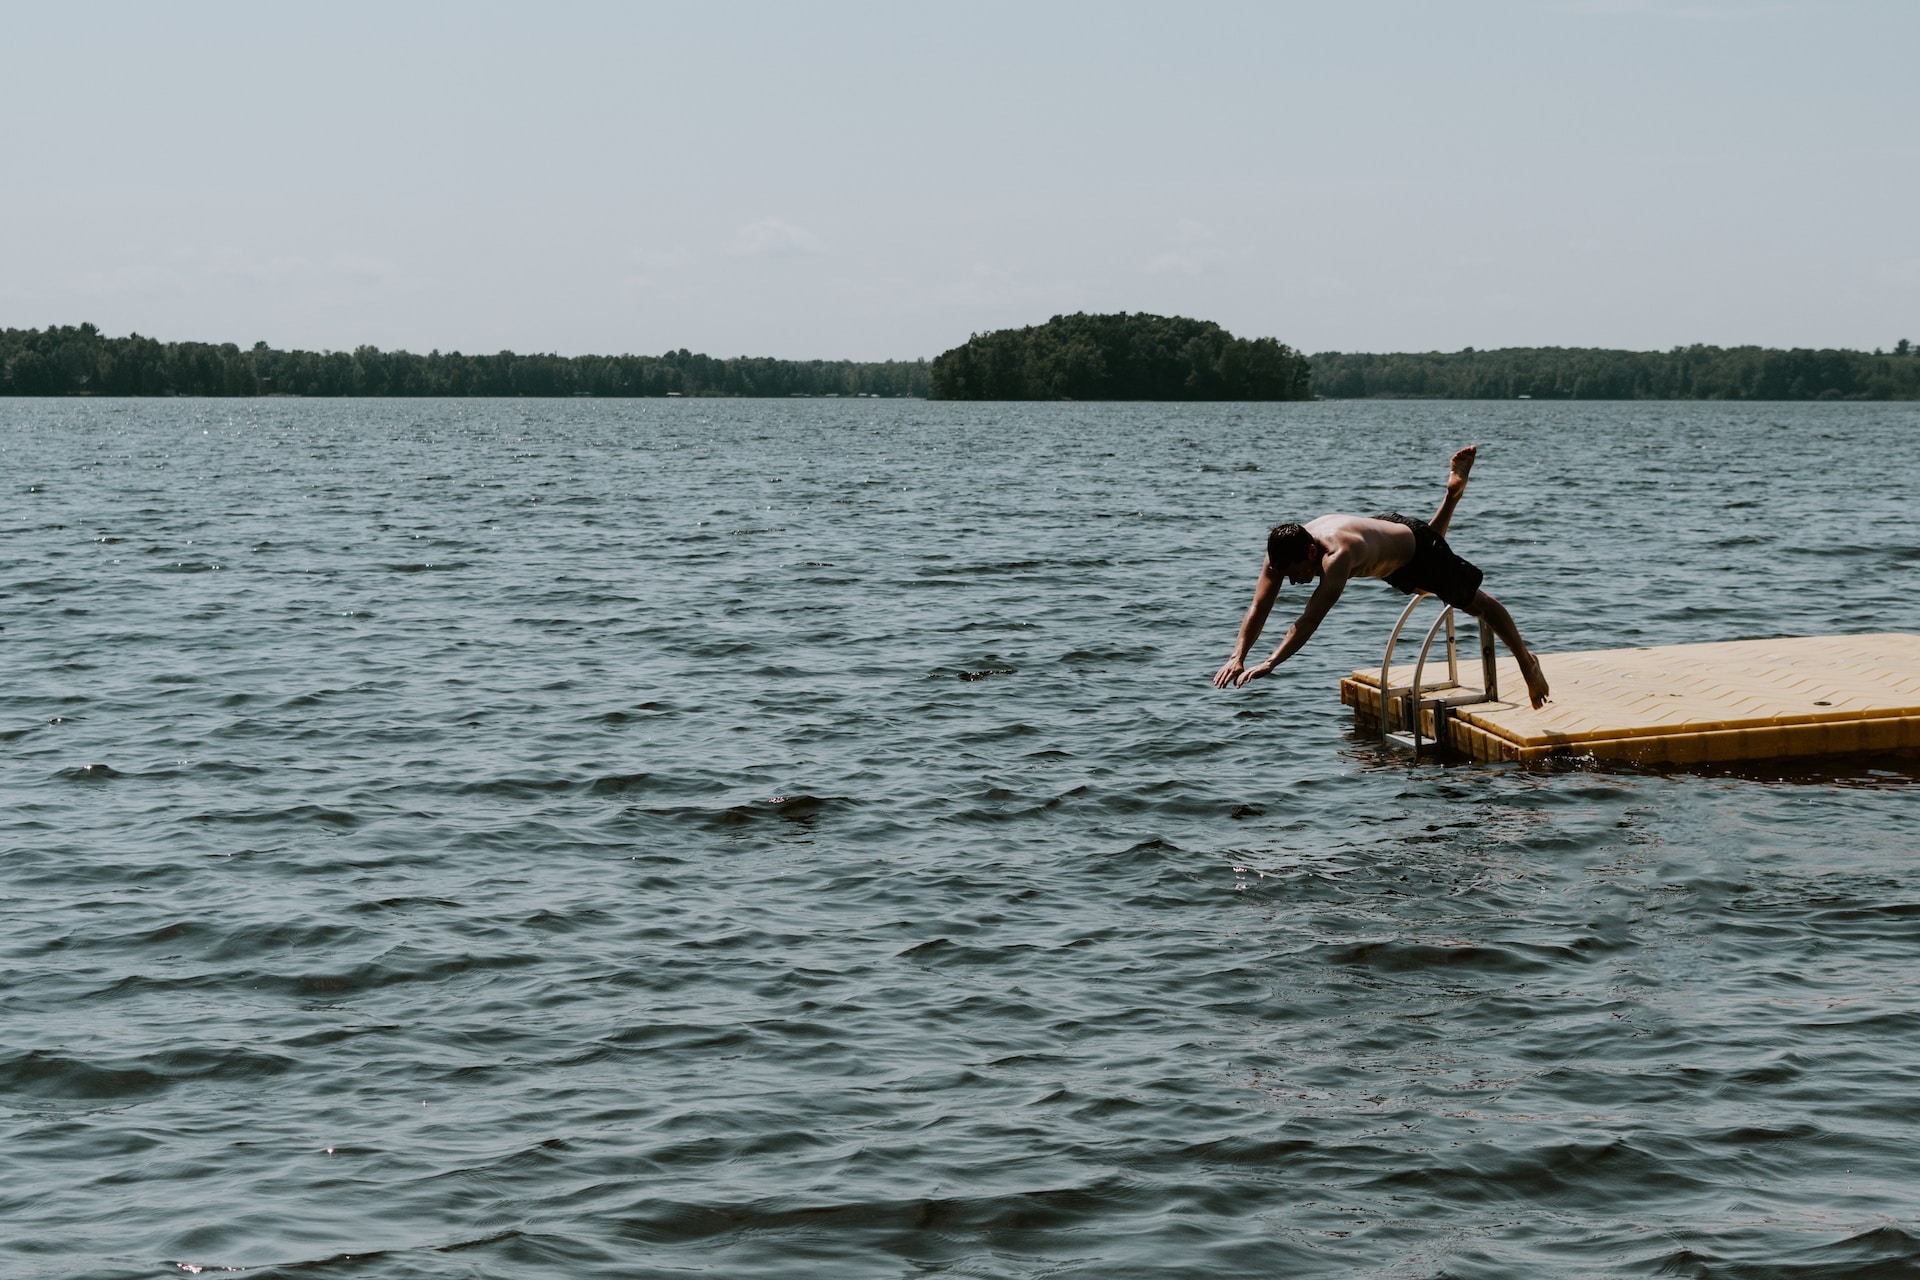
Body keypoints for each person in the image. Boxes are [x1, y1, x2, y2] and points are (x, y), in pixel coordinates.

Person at [1210, 446, 1551, 708]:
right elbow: (1259, 607)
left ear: (1312, 553)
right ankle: (1452, 495)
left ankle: (1527, 663)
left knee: (1476, 603)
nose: (1294, 582)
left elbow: (1309, 620)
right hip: (1386, 535)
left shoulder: (1337, 556)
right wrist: (1238, 654)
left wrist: (1271, 661)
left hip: (1408, 548)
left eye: (1296, 575)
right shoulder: (1281, 553)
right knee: (1424, 578)